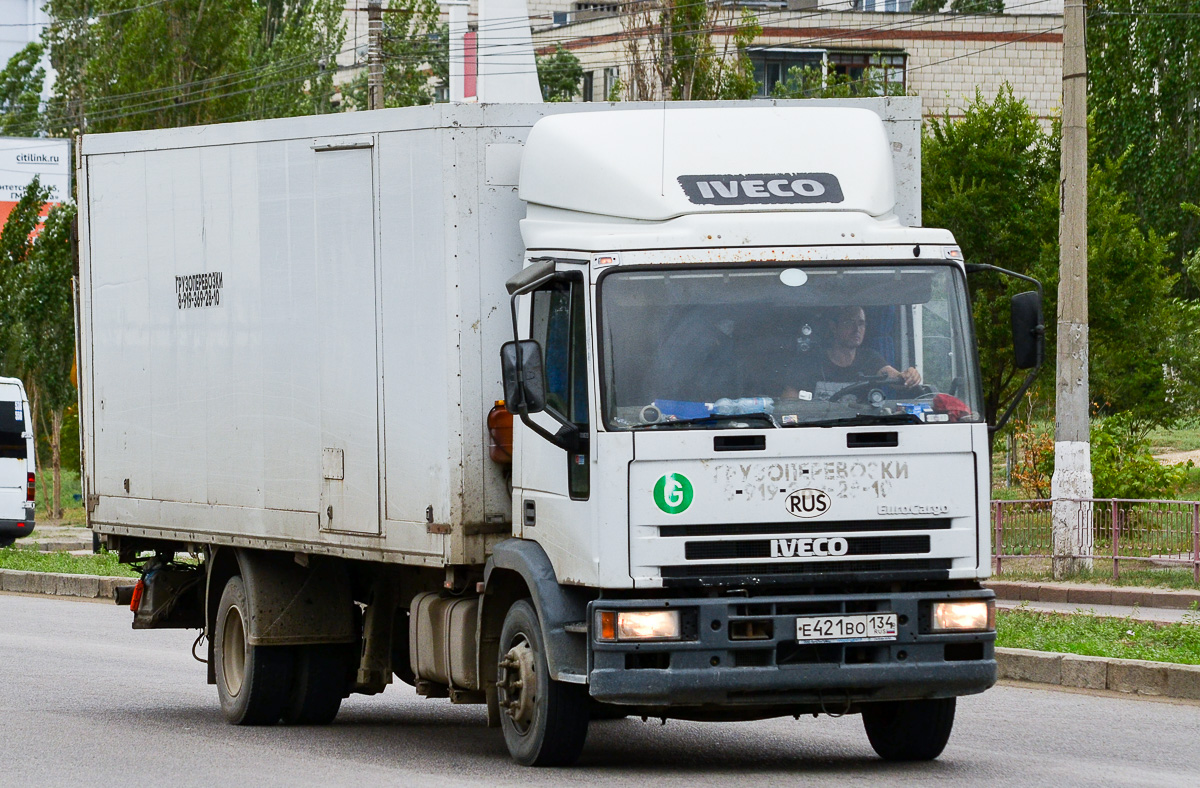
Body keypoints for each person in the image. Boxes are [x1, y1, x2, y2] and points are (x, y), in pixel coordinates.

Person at [787, 306, 921, 400]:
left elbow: (895, 379)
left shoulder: (870, 358)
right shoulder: (810, 360)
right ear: (833, 327)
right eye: (849, 322)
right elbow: (788, 402)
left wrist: (909, 376)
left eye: (861, 323)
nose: (857, 329)